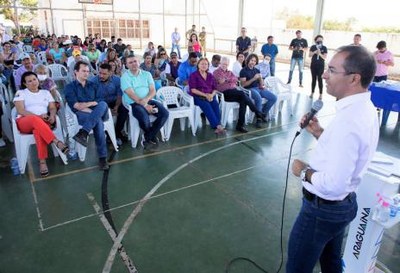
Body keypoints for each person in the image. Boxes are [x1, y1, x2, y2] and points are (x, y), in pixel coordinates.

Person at [287, 45, 379, 273]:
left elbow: (334, 183)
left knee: (297, 267)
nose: (324, 75)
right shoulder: (364, 108)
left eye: (331, 70)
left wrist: (304, 170)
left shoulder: (349, 121)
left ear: (354, 78)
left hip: (322, 210)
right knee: (331, 261)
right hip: (343, 205)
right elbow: (345, 152)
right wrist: (319, 133)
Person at [13, 71, 69, 177]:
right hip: (25, 122)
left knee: (37, 131)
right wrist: (38, 117)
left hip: (43, 123)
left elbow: (52, 107)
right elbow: (20, 110)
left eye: (34, 79)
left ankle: (42, 163)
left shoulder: (45, 93)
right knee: (34, 119)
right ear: (25, 84)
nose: (33, 82)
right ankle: (56, 141)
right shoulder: (21, 93)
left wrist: (52, 115)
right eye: (29, 81)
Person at [65, 61, 110, 170]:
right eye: (83, 71)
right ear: (76, 72)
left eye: (88, 71)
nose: (86, 73)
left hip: (98, 112)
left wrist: (93, 109)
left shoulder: (93, 85)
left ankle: (83, 133)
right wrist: (91, 106)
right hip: (82, 115)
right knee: (98, 122)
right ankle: (102, 158)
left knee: (103, 104)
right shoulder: (70, 87)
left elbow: (100, 102)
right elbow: (76, 106)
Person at [120, 55, 169, 150]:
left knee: (165, 113)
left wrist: (146, 102)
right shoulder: (125, 77)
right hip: (134, 103)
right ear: (126, 65)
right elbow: (132, 95)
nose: (133, 64)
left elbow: (153, 91)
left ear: (139, 62)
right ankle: (151, 136)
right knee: (144, 117)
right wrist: (145, 105)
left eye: (135, 61)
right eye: (130, 62)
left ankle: (147, 136)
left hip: (148, 100)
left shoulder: (147, 74)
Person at [213, 56, 266, 133]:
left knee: (243, 101)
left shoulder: (230, 72)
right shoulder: (216, 72)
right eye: (223, 64)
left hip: (234, 92)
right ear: (220, 63)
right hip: (225, 94)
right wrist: (230, 80)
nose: (225, 66)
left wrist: (227, 80)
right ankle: (258, 113)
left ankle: (240, 125)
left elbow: (235, 80)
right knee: (242, 93)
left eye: (226, 64)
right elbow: (221, 81)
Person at [90, 63, 128, 145]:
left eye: (104, 74)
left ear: (110, 73)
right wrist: (107, 109)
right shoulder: (93, 81)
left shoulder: (117, 80)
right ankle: (110, 135)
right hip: (100, 103)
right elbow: (92, 99)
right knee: (102, 113)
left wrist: (117, 106)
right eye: (100, 73)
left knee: (124, 109)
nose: (101, 76)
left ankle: (116, 132)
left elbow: (119, 95)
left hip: (114, 101)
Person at [188, 58, 225, 135]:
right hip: (198, 96)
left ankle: (217, 126)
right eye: (202, 64)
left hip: (210, 96)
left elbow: (215, 88)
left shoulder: (210, 75)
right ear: (198, 65)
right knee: (206, 105)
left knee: (215, 104)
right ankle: (218, 126)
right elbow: (193, 90)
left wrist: (211, 94)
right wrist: (205, 95)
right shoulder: (193, 75)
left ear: (208, 66)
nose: (204, 65)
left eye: (206, 64)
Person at [239, 53, 277, 128]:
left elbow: (261, 83)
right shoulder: (243, 71)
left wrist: (261, 80)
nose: (253, 62)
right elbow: (243, 85)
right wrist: (253, 78)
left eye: (254, 61)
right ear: (248, 60)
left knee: (274, 97)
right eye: (251, 60)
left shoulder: (257, 70)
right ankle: (259, 119)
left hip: (258, 88)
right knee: (258, 98)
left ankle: (263, 113)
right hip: (249, 89)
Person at [309, 35, 328, 99]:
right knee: (313, 79)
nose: (320, 41)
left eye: (321, 40)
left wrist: (319, 53)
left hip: (321, 65)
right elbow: (309, 55)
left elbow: (324, 57)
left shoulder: (324, 47)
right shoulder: (313, 47)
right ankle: (312, 92)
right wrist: (315, 52)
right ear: (316, 40)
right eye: (319, 40)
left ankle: (320, 94)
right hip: (313, 65)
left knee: (320, 79)